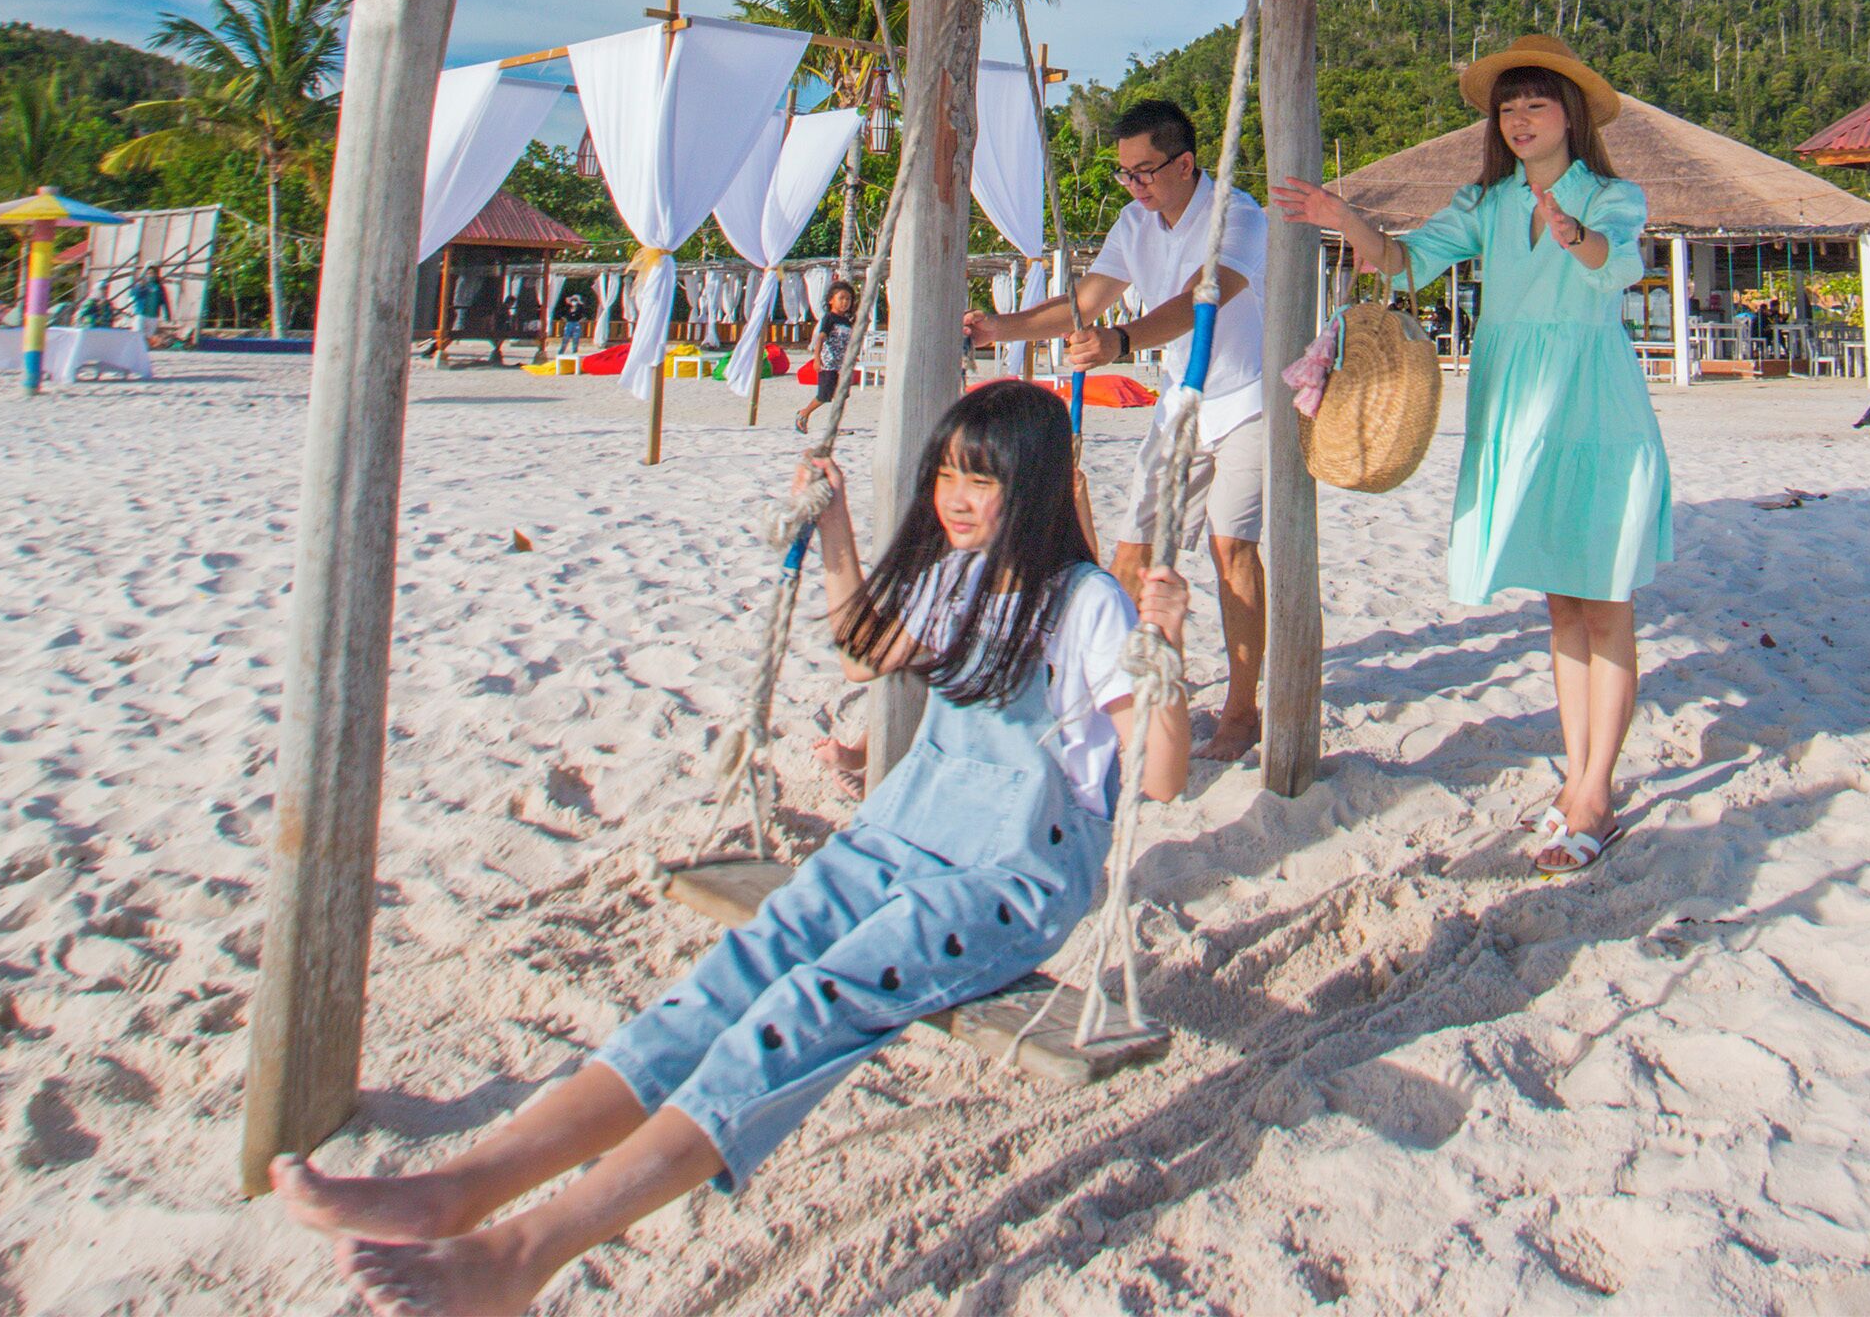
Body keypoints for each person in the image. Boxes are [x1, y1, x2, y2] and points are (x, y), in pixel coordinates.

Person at [272, 380, 1187, 1313]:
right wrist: (831, 531)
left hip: (1012, 875)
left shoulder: (1087, 604)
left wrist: (1167, 650)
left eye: (980, 480)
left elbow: (1155, 778)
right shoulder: (957, 574)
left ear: (1029, 489)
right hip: (905, 835)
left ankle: (522, 1253)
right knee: (738, 971)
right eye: (947, 472)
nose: (954, 495)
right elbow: (861, 651)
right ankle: (460, 1188)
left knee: (815, 1000)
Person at [1272, 35, 1670, 877]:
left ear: (1571, 116)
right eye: (1509, 108)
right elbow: (1410, 263)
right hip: (1513, 404)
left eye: (1537, 103)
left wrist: (1572, 234)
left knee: (1606, 598)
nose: (1521, 119)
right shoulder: (1485, 204)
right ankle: (1575, 776)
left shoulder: (1612, 196)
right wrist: (1342, 219)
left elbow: (1618, 266)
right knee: (1563, 602)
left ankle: (1597, 788)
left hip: (1591, 402)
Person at [965, 97, 1272, 764]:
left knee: (1231, 551)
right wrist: (1005, 326)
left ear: (1185, 164)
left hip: (1249, 400)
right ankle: (1122, 693)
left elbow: (1201, 298)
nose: (1133, 186)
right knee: (1130, 559)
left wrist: (1121, 342)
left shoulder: (1239, 217)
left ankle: (1243, 711)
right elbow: (1087, 300)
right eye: (1125, 174)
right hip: (1181, 404)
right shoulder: (1135, 223)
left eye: (1145, 172)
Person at [794, 279, 861, 434]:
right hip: (828, 363)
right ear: (831, 300)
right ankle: (803, 414)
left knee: (842, 395)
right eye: (841, 298)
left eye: (848, 299)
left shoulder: (847, 321)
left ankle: (834, 426)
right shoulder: (829, 318)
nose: (845, 302)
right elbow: (821, 338)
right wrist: (817, 359)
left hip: (842, 365)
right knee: (824, 395)